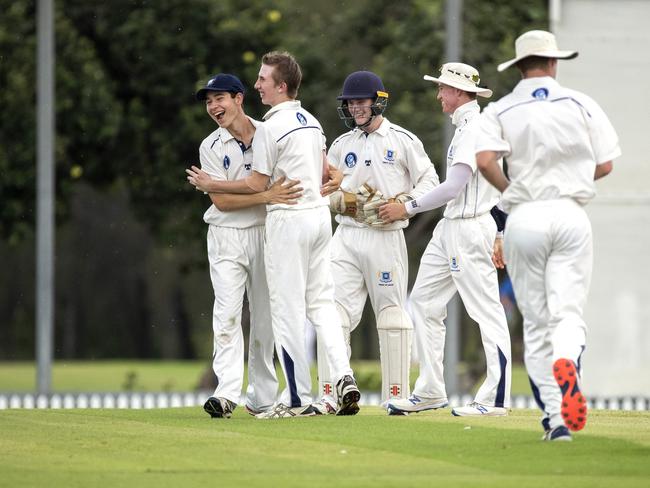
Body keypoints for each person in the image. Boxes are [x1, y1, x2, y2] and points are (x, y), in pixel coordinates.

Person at [189, 52, 361, 418]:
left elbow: (257, 182)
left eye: (262, 79)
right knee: (320, 304)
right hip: (317, 218)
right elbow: (326, 173)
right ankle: (344, 376)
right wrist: (336, 178)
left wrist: (210, 183)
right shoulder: (311, 120)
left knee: (284, 312)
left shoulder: (268, 127)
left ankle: (297, 399)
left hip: (286, 221)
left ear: (280, 85)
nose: (257, 85)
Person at [475, 30, 620, 441]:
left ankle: (556, 421)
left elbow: (485, 160)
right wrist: (573, 179)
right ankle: (567, 360)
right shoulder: (581, 103)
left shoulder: (502, 108)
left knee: (536, 322)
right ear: (553, 63)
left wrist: (512, 191)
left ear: (519, 66)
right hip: (571, 213)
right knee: (567, 314)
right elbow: (606, 165)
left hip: (524, 216)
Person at [379, 63, 512, 417]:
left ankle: (495, 399)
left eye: (442, 88)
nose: (439, 94)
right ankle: (431, 390)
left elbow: (454, 187)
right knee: (422, 303)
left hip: (469, 228)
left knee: (485, 311)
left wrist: (406, 208)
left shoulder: (475, 127)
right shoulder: (465, 127)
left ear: (457, 91)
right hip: (450, 227)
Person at [320, 71, 440, 411]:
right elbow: (324, 190)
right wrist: (346, 202)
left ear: (377, 101)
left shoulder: (403, 140)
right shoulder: (342, 145)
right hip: (346, 235)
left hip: (385, 237)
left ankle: (395, 396)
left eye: (361, 101)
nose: (355, 108)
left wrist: (404, 207)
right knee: (334, 312)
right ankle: (333, 394)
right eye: (351, 103)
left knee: (391, 315)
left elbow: (430, 182)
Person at [187, 73, 302, 419]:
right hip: (226, 236)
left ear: (238, 99)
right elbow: (221, 202)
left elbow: (264, 181)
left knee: (265, 318)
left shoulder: (267, 134)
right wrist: (264, 195)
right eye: (208, 102)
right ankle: (225, 394)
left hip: (266, 234)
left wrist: (227, 186)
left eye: (219, 98)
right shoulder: (210, 146)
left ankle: (263, 396)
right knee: (227, 313)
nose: (213, 107)